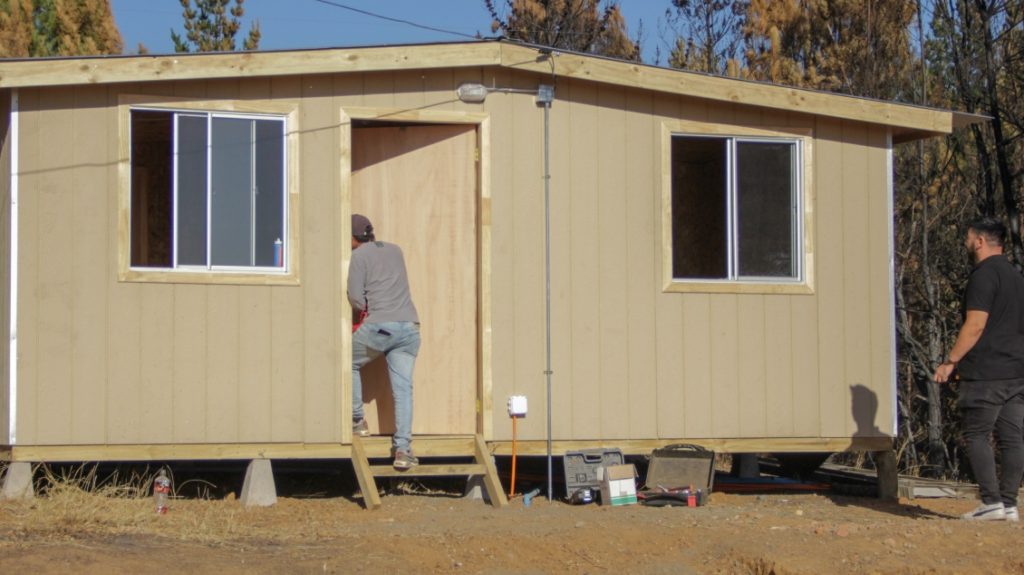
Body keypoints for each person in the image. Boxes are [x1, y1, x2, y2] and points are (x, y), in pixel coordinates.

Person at [933, 217, 1024, 521]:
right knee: (1013, 438)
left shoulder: (984, 276)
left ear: (981, 241)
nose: (966, 242)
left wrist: (950, 361)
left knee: (976, 434)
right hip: (1016, 371)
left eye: (968, 237)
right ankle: (1010, 505)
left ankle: (991, 502)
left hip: (986, 372)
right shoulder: (1015, 275)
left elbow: (975, 325)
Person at [348, 213, 421, 470]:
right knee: (403, 390)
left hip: (381, 329)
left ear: (353, 238)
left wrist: (365, 307)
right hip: (410, 329)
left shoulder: (358, 257)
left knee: (348, 361)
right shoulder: (395, 250)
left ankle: (358, 420)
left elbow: (356, 298)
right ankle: (403, 449)